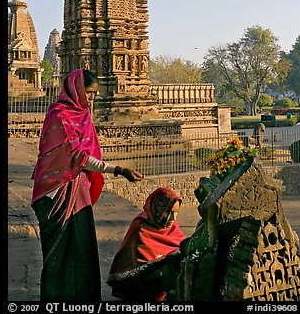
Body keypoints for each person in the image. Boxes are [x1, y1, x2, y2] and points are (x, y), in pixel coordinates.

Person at [31, 68, 144, 302]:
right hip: (57, 192)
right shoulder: (60, 116)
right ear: (76, 90)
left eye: (93, 95)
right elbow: (79, 157)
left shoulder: (82, 116)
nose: (91, 99)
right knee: (59, 253)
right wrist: (119, 170)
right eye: (89, 93)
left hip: (77, 188)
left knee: (81, 248)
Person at [106, 187, 186, 302]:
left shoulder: (173, 227)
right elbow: (138, 267)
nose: (174, 218)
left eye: (176, 213)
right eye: (169, 212)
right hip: (142, 286)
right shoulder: (140, 229)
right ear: (158, 209)